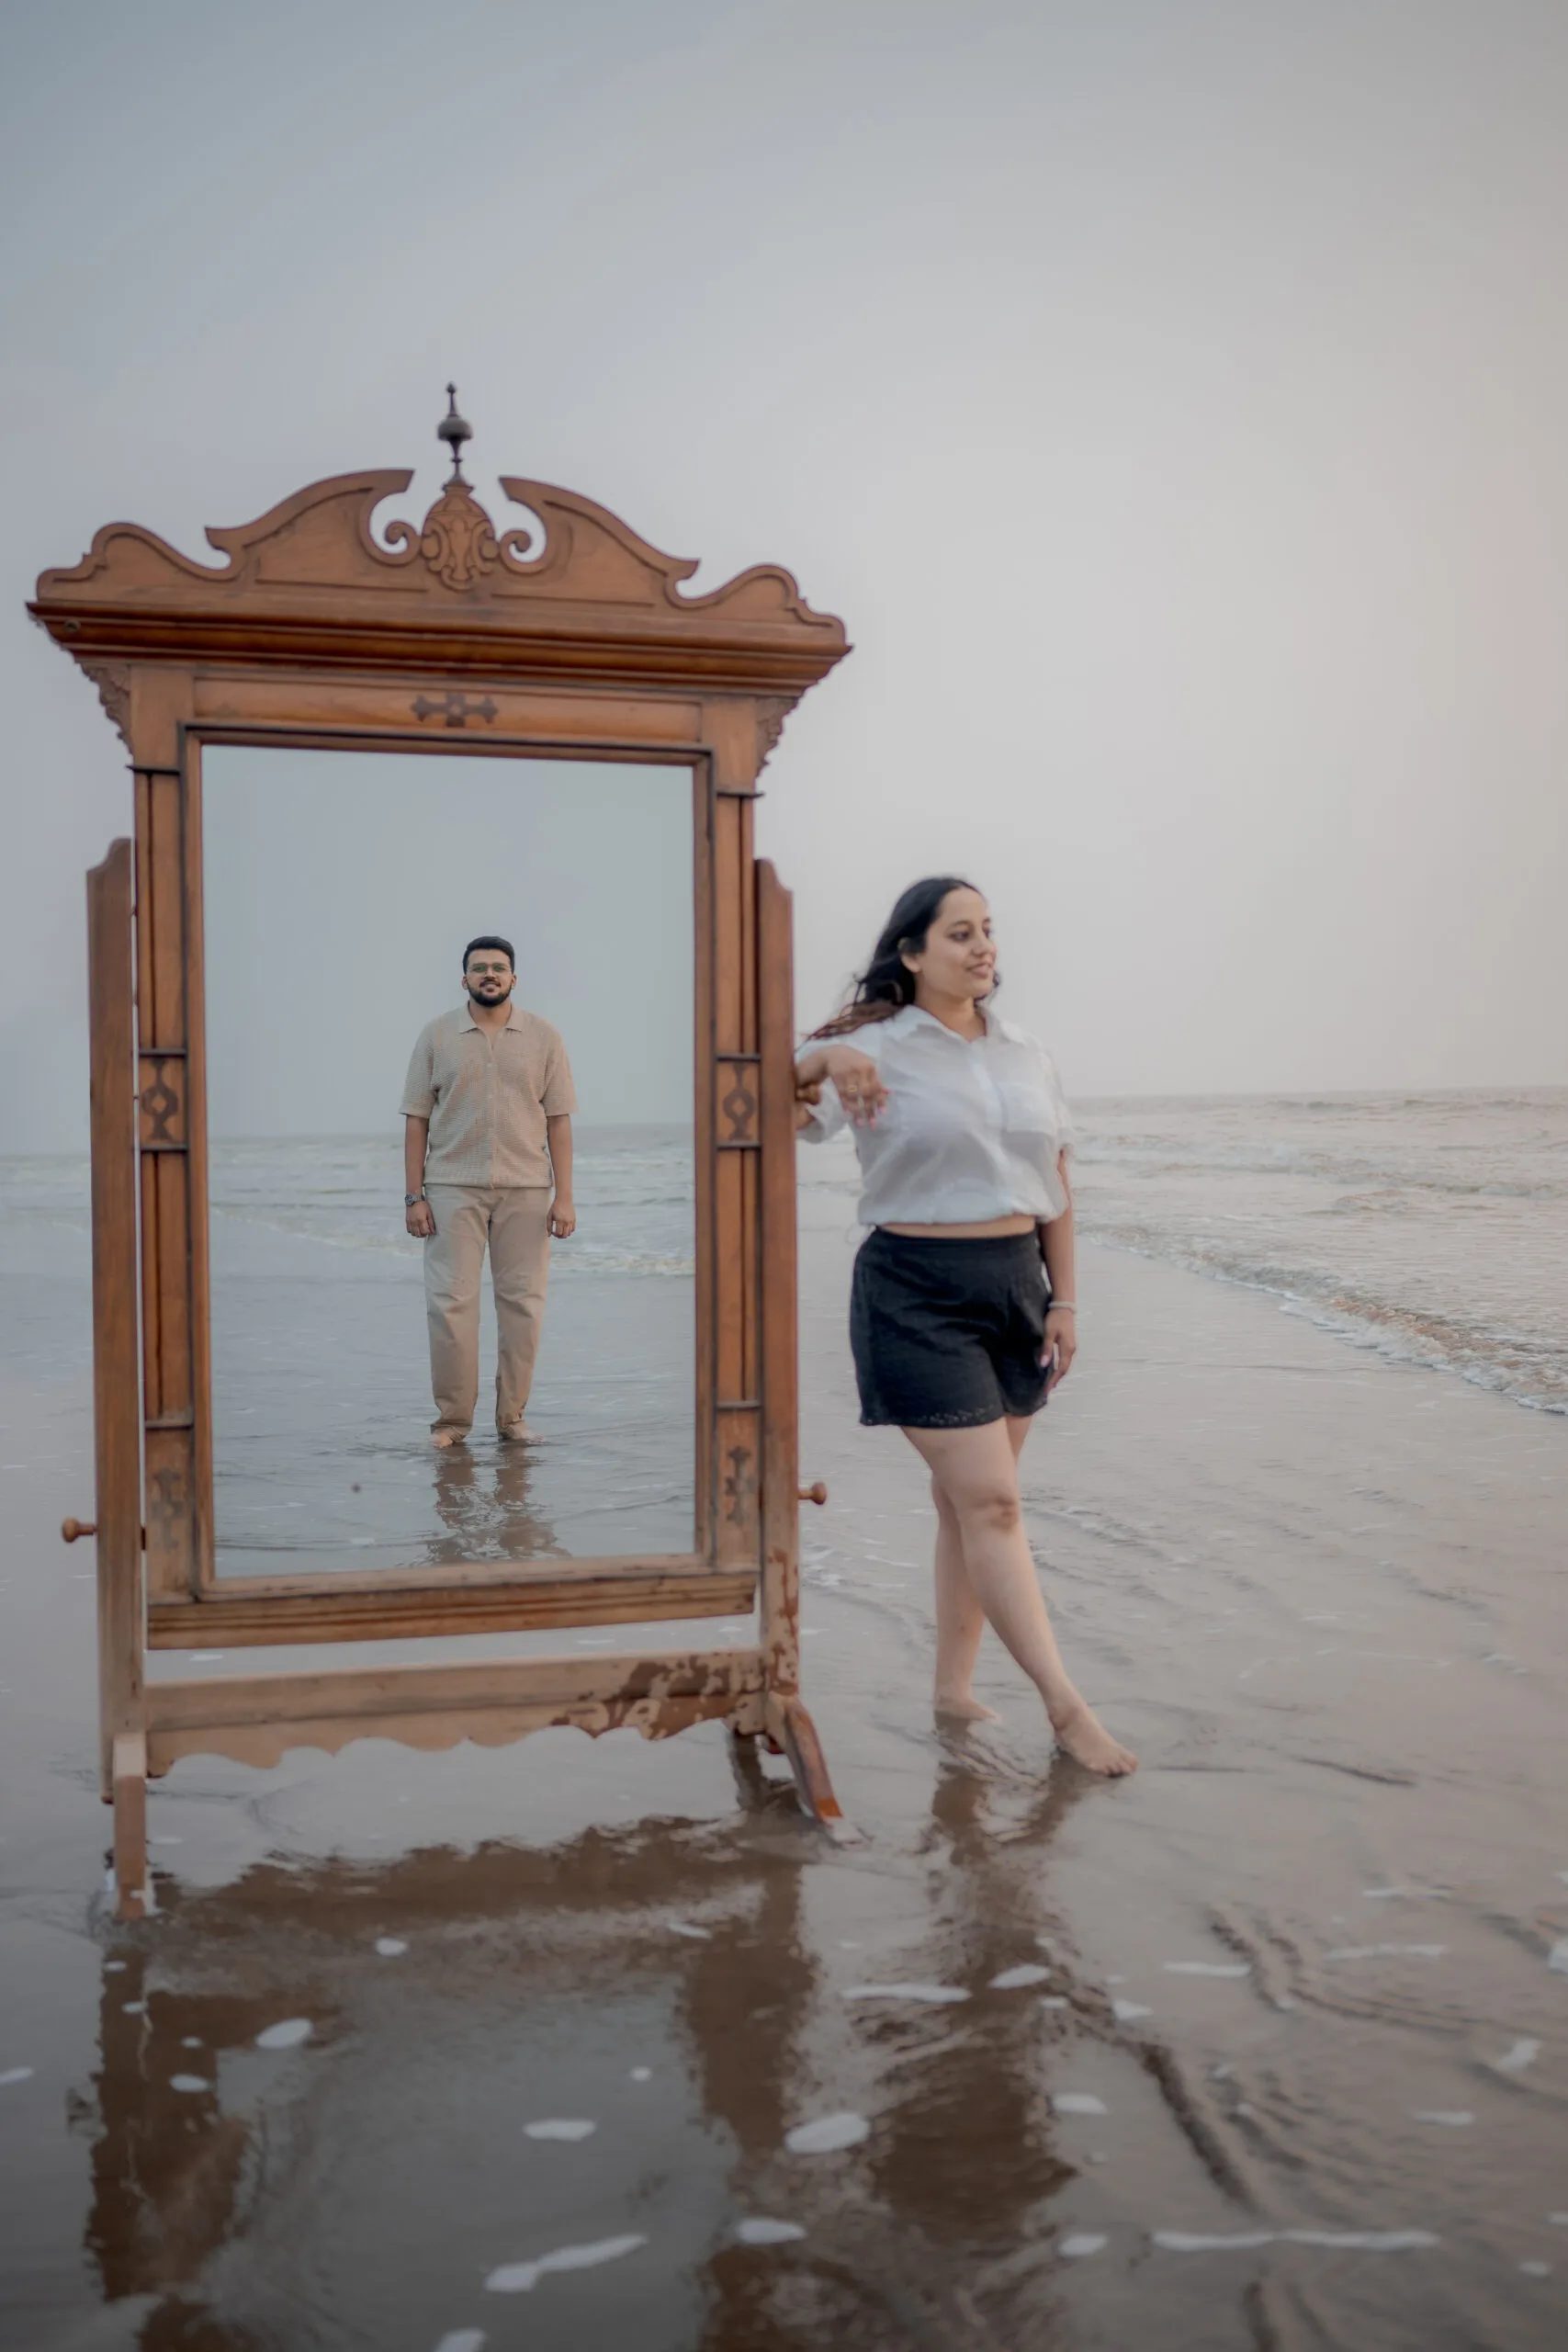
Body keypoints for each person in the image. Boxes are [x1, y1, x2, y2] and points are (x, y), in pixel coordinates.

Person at [794, 878, 1137, 1776]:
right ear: (911, 952)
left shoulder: (1027, 1053)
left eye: (987, 930)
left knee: (966, 1506)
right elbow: (755, 1093)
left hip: (1016, 1286)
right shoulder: (870, 1045)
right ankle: (1065, 1708)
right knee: (993, 1503)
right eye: (959, 933)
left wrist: (1065, 1300)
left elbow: (1055, 1181)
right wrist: (827, 1061)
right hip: (914, 1290)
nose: (983, 946)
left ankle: (952, 1690)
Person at [400, 936, 577, 1449]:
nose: (489, 975)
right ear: (465, 980)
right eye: (479, 968)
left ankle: (512, 1418)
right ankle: (451, 1423)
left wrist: (564, 1197)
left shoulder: (544, 1037)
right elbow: (416, 1120)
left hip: (527, 1189)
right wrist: (414, 1196)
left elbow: (559, 1121)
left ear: (513, 978)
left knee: (523, 1308)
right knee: (450, 1306)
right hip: (451, 1188)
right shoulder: (437, 1036)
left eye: (499, 968)